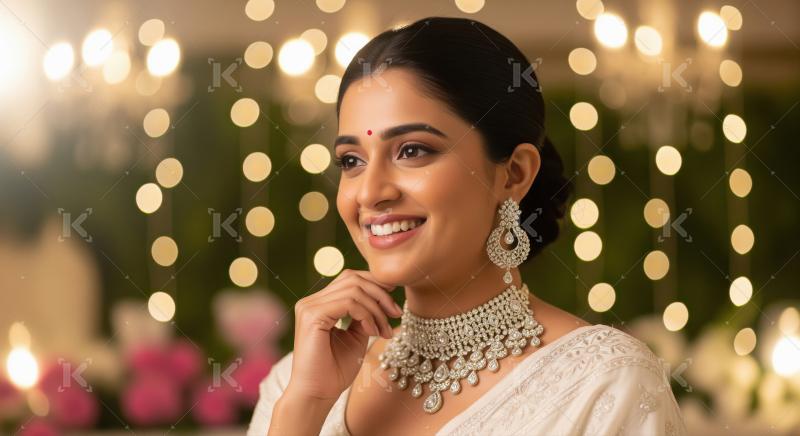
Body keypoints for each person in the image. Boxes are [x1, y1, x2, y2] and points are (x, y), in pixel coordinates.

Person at [248, 16, 687, 436]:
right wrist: (304, 406)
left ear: (513, 174)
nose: (369, 193)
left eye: (413, 151)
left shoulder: (605, 382)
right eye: (351, 161)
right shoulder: (296, 380)